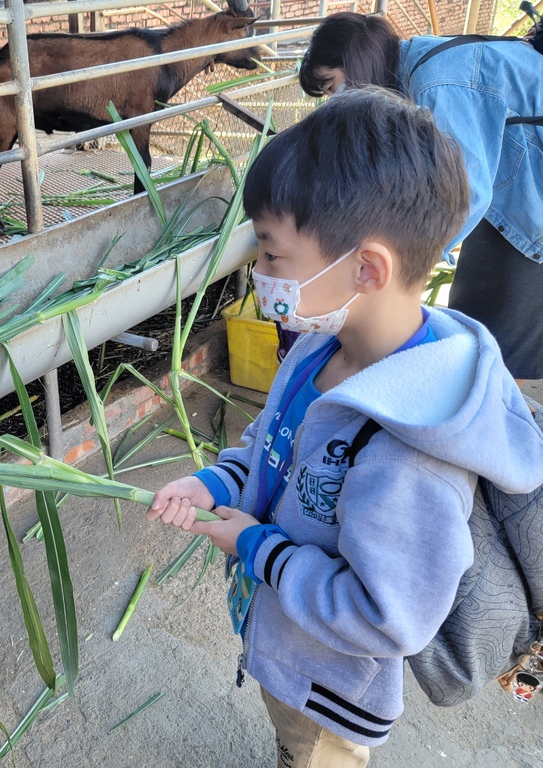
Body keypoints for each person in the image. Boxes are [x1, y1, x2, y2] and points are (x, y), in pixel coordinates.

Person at [146, 88, 543, 767]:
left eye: (272, 255)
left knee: (312, 756)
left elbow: (387, 617)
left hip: (328, 691)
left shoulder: (408, 458)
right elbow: (269, 445)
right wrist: (214, 481)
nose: (260, 272)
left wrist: (256, 548)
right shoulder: (315, 347)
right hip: (284, 640)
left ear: (366, 269)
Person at [296, 12, 543, 384]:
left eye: (332, 86)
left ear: (358, 63)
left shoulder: (435, 81)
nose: (335, 101)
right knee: (474, 326)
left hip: (526, 203)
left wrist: (407, 268)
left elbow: (466, 191)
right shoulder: (418, 69)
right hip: (510, 197)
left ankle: (499, 423)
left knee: (495, 347)